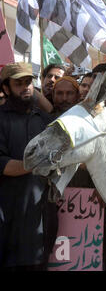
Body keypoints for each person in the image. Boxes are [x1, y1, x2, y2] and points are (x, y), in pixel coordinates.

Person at [0, 62, 57, 270]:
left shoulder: (44, 120)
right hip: (7, 219)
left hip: (38, 221)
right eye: (18, 83)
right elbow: (3, 165)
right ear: (6, 88)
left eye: (28, 82)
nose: (25, 87)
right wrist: (36, 163)